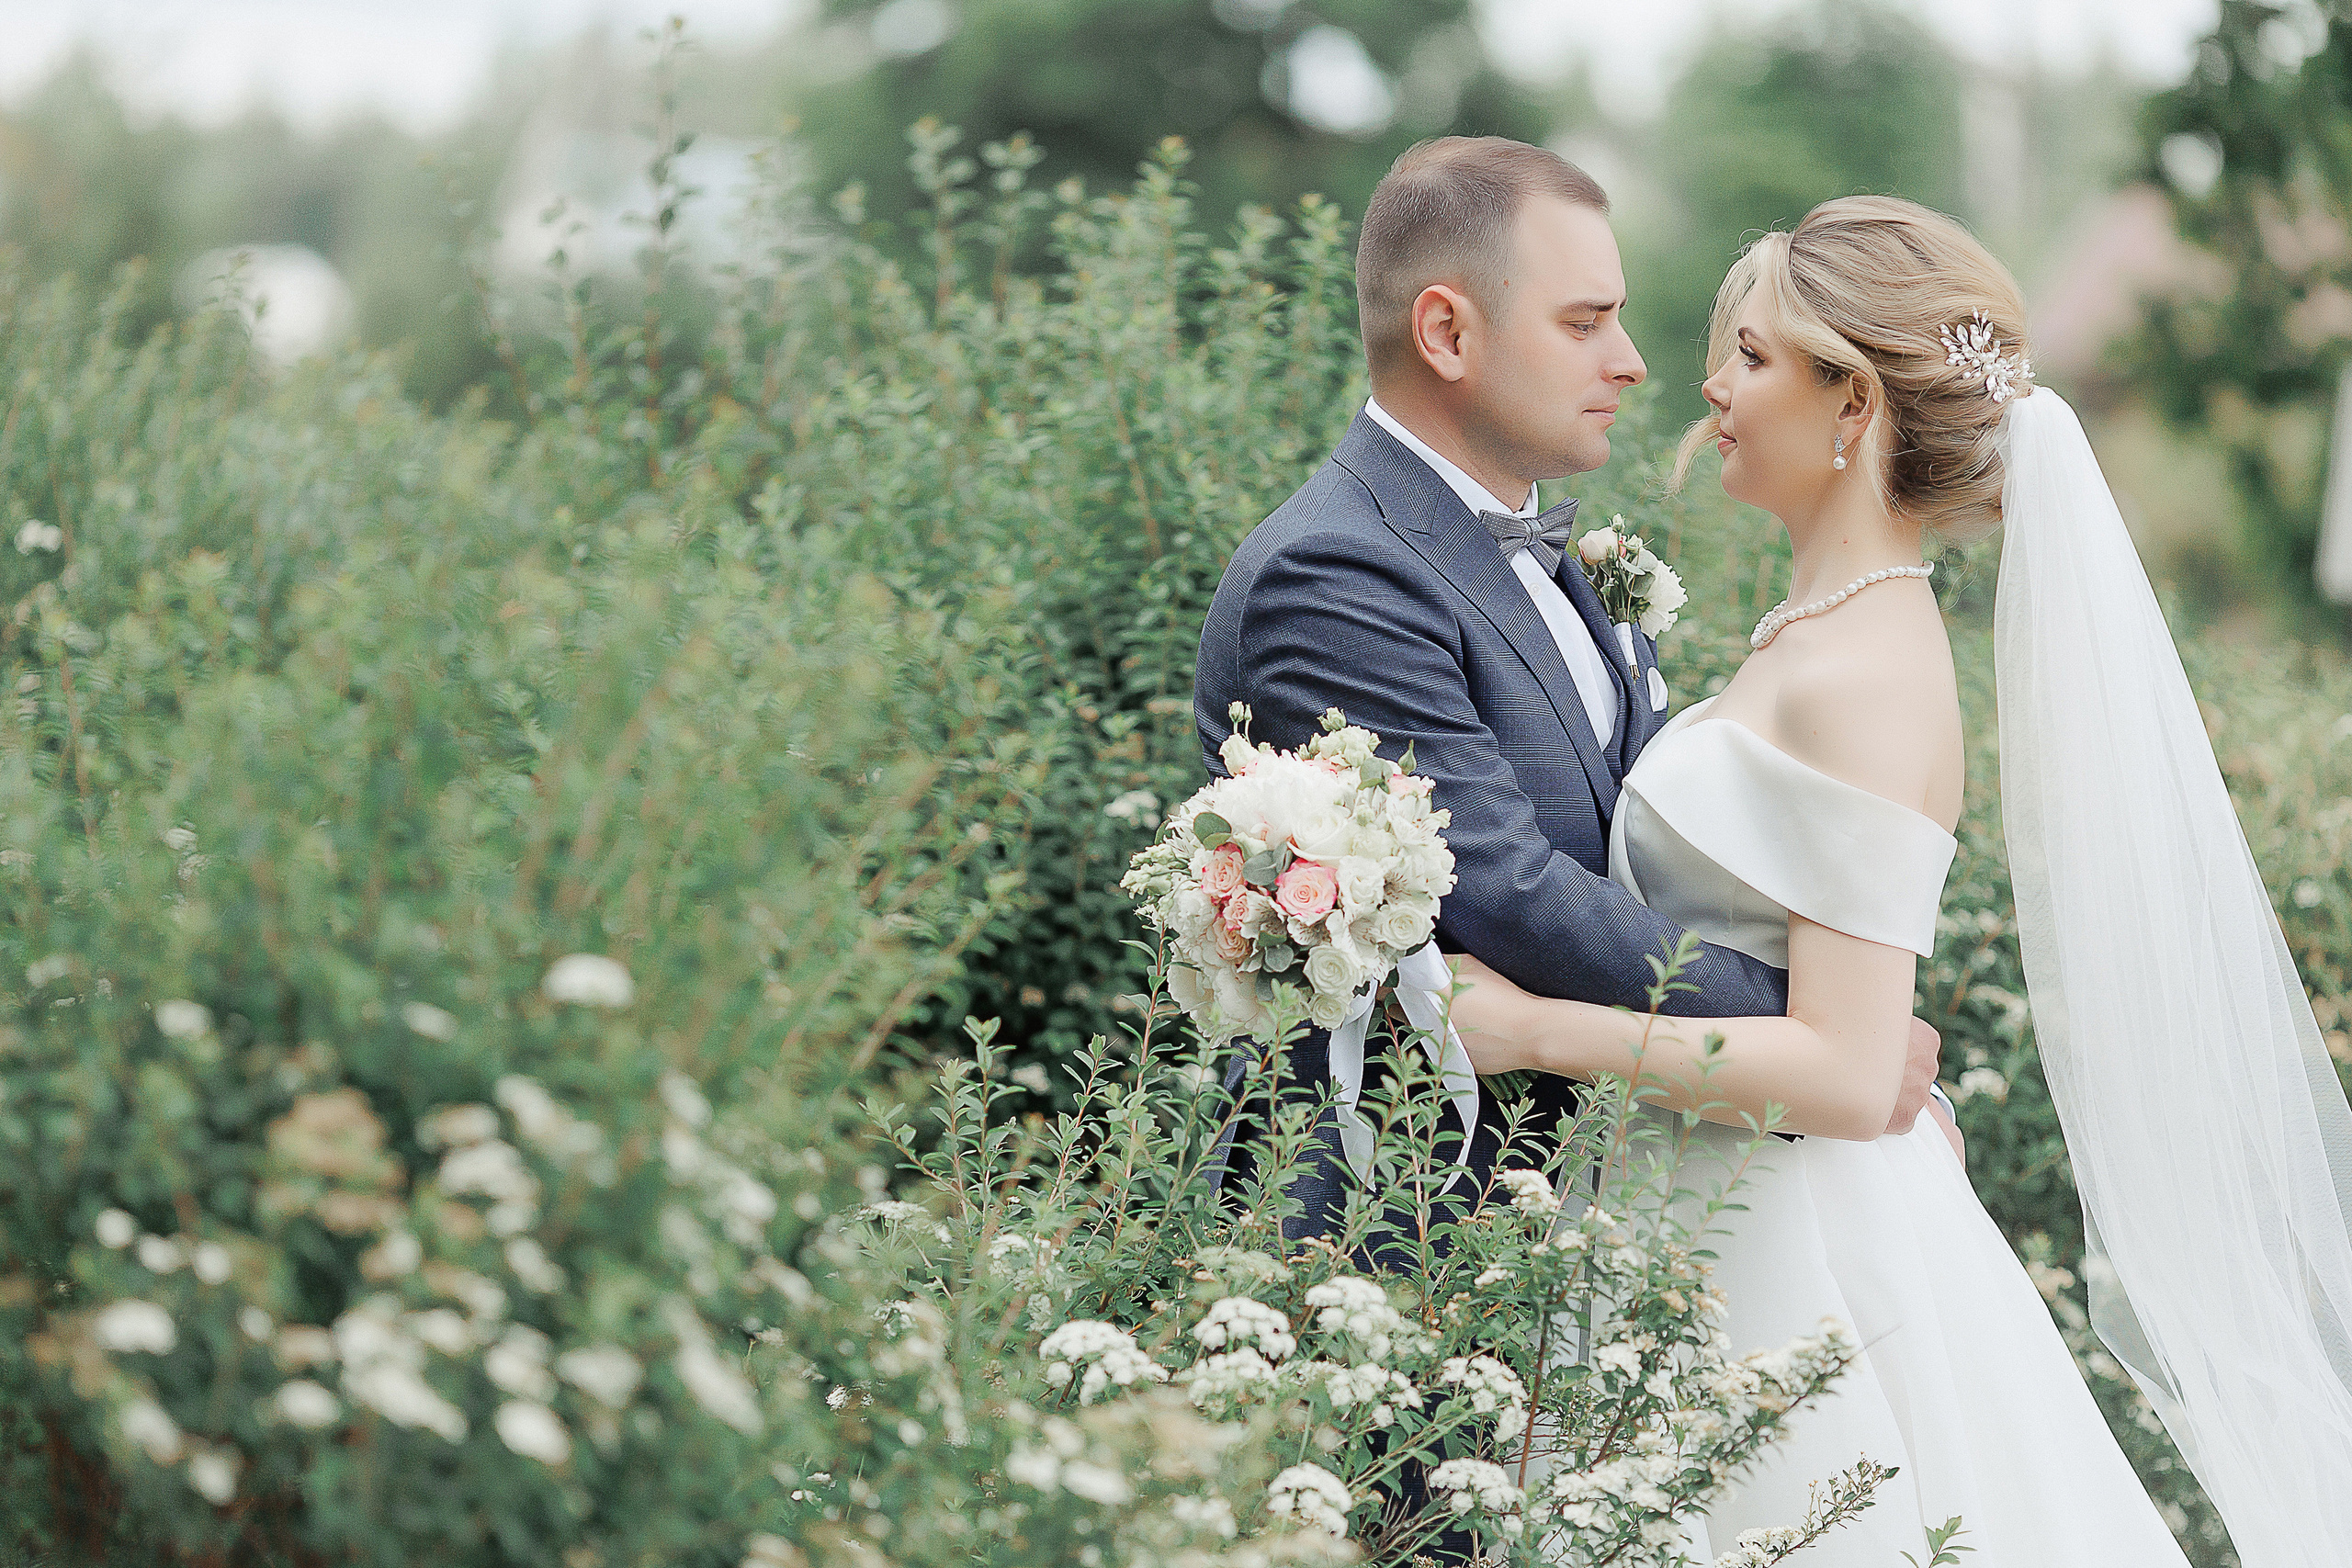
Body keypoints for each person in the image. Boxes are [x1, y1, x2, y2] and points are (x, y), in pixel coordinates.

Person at [1448, 197, 2352, 1562]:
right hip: (1704, 1212)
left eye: (1751, 355)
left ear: (1851, 400)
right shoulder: (1817, 631)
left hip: (1790, 1249)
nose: (1709, 385)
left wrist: (1524, 1030)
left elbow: (1853, 1071)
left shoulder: (1866, 670)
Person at [1193, 141, 1948, 1245]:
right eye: (1584, 323)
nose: (1636, 362)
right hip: (1406, 1221)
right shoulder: (1336, 574)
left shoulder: (1552, 558)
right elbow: (1505, 888)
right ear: (1447, 332)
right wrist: (1822, 1041)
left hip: (1607, 1214)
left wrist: (1842, 1043)